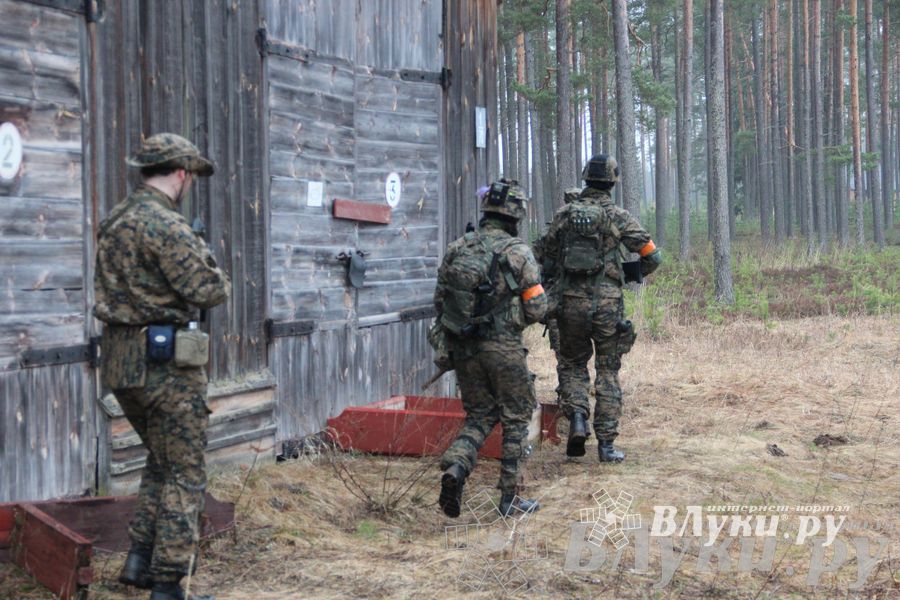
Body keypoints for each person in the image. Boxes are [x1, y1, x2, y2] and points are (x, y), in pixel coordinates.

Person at [94, 133, 231, 600]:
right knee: (184, 472)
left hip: (122, 362)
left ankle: (139, 559)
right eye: (190, 176)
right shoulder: (166, 225)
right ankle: (169, 584)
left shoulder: (115, 219)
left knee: (161, 460)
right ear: (180, 173)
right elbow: (208, 290)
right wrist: (212, 262)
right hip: (165, 366)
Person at [432, 180, 548, 518]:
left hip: (465, 349)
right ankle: (510, 497)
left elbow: (440, 301)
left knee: (480, 415)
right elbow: (538, 309)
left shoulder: (458, 248)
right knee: (516, 417)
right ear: (516, 215)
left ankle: (457, 467)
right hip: (504, 349)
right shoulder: (518, 252)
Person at [537, 155, 661, 463]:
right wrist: (627, 275)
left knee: (572, 365)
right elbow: (652, 257)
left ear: (585, 179)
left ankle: (578, 419)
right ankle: (606, 446)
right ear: (612, 182)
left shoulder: (564, 214)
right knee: (607, 370)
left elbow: (542, 253)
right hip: (607, 307)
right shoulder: (619, 217)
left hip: (569, 305)